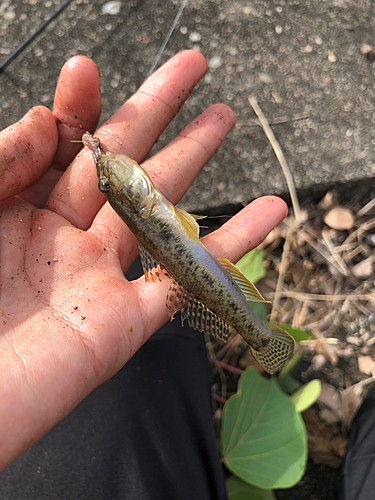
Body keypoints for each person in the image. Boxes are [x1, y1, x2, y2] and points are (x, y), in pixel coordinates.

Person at [0, 50, 288, 499]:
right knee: (170, 343)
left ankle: (258, 335)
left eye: (111, 182)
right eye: (109, 183)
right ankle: (260, 336)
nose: (111, 173)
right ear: (133, 197)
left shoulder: (143, 203)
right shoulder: (140, 202)